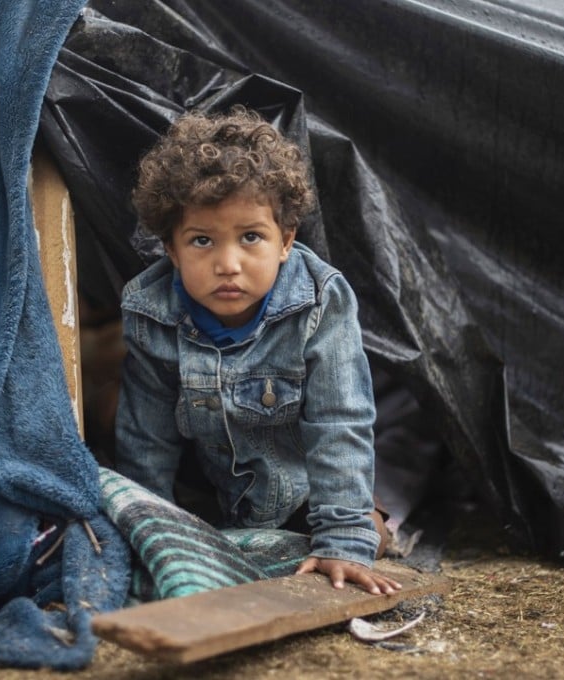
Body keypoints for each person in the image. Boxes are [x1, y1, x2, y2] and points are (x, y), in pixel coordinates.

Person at [114, 106, 399, 595]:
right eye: (202, 240)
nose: (228, 264)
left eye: (251, 237)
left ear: (286, 241)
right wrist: (148, 536)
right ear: (171, 249)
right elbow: (146, 440)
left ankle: (363, 518)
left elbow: (340, 420)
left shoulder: (318, 301)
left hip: (312, 497)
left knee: (362, 535)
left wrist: (343, 540)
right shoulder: (150, 311)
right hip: (219, 496)